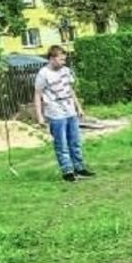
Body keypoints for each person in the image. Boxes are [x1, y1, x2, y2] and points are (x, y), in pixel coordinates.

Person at [34, 45, 95, 182]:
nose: (63, 62)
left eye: (64, 59)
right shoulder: (43, 74)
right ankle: (67, 171)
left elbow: (70, 90)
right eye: (61, 60)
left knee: (75, 141)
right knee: (61, 144)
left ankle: (79, 168)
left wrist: (78, 107)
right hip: (55, 112)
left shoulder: (66, 71)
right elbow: (37, 95)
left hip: (70, 111)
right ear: (52, 58)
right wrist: (40, 116)